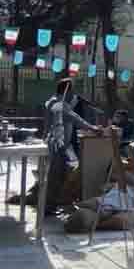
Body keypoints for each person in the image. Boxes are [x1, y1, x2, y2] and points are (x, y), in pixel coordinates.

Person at [43, 79, 102, 209]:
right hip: (57, 145)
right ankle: (48, 205)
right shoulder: (57, 103)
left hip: (62, 146)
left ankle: (56, 203)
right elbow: (74, 117)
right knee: (54, 176)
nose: (73, 94)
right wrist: (92, 128)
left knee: (62, 175)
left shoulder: (58, 102)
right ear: (67, 91)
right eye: (72, 91)